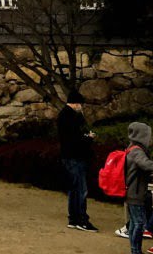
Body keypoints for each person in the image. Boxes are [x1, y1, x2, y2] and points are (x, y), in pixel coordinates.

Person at [126, 122, 153, 254]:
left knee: (134, 223)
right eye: (149, 136)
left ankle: (134, 249)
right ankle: (136, 250)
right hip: (136, 193)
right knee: (139, 224)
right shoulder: (137, 152)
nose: (150, 139)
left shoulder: (132, 149)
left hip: (131, 192)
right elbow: (146, 164)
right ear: (142, 136)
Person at [57, 89, 97, 231]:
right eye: (80, 104)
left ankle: (73, 218)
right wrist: (88, 138)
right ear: (76, 104)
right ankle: (81, 219)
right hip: (75, 156)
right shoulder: (71, 117)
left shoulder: (64, 115)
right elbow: (74, 139)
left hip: (69, 156)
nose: (82, 107)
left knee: (74, 189)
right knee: (81, 189)